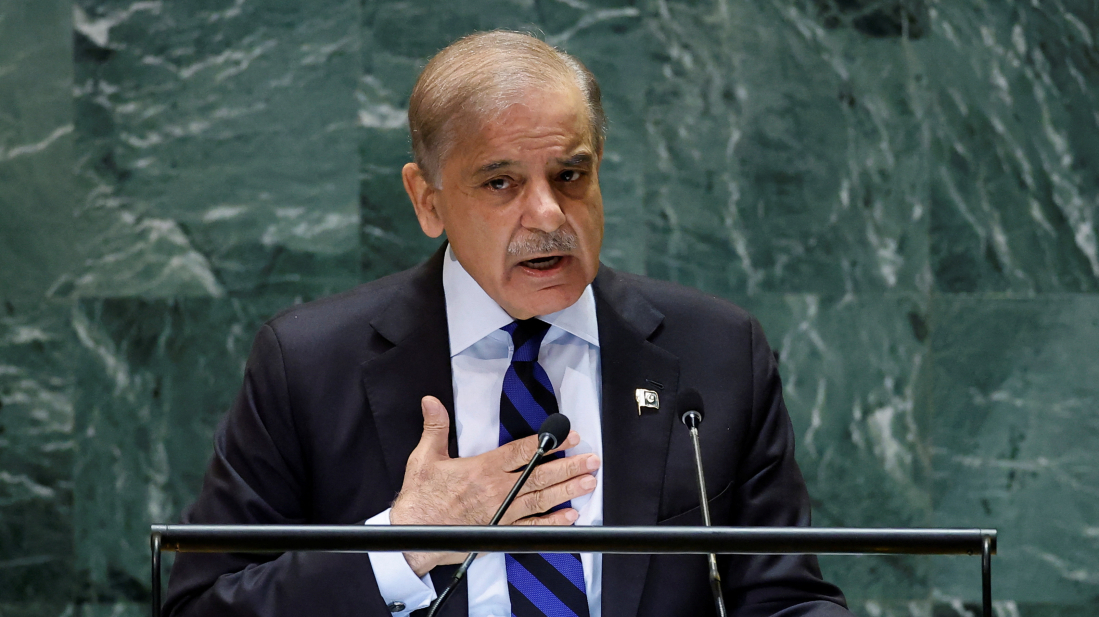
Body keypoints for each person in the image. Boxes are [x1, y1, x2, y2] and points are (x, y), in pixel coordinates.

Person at [164, 30, 851, 617]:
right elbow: (202, 605)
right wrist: (403, 542)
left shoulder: (716, 352)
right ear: (427, 200)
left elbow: (783, 598)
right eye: (501, 183)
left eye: (570, 175)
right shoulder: (309, 363)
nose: (548, 214)